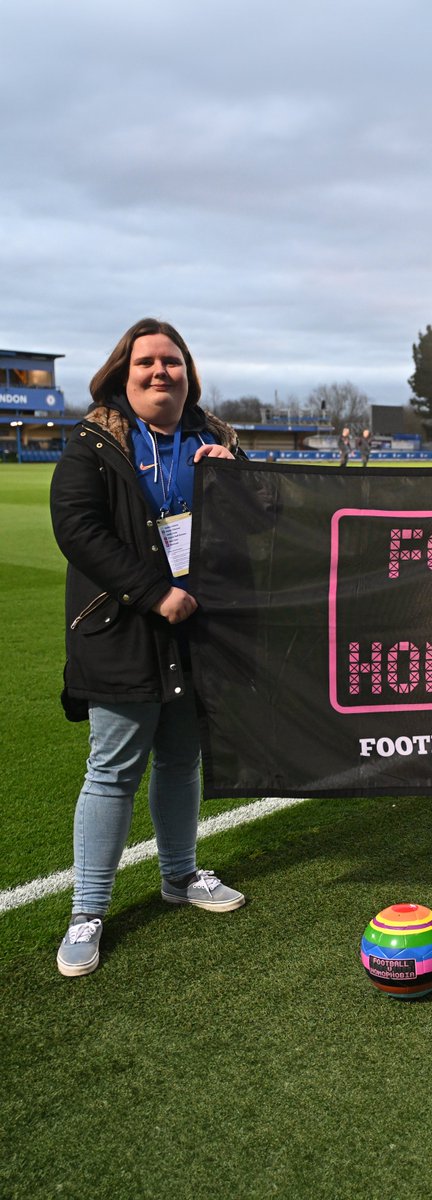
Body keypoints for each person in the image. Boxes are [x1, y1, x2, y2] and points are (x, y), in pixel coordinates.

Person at [50, 318, 247, 977]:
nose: (160, 372)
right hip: (122, 629)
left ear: (188, 373)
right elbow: (77, 528)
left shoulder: (215, 439)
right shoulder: (94, 440)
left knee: (181, 762)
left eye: (173, 362)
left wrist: (236, 480)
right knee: (112, 770)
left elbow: (261, 525)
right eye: (147, 363)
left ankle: (180, 875)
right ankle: (87, 911)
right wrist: (151, 591)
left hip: (198, 632)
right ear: (122, 372)